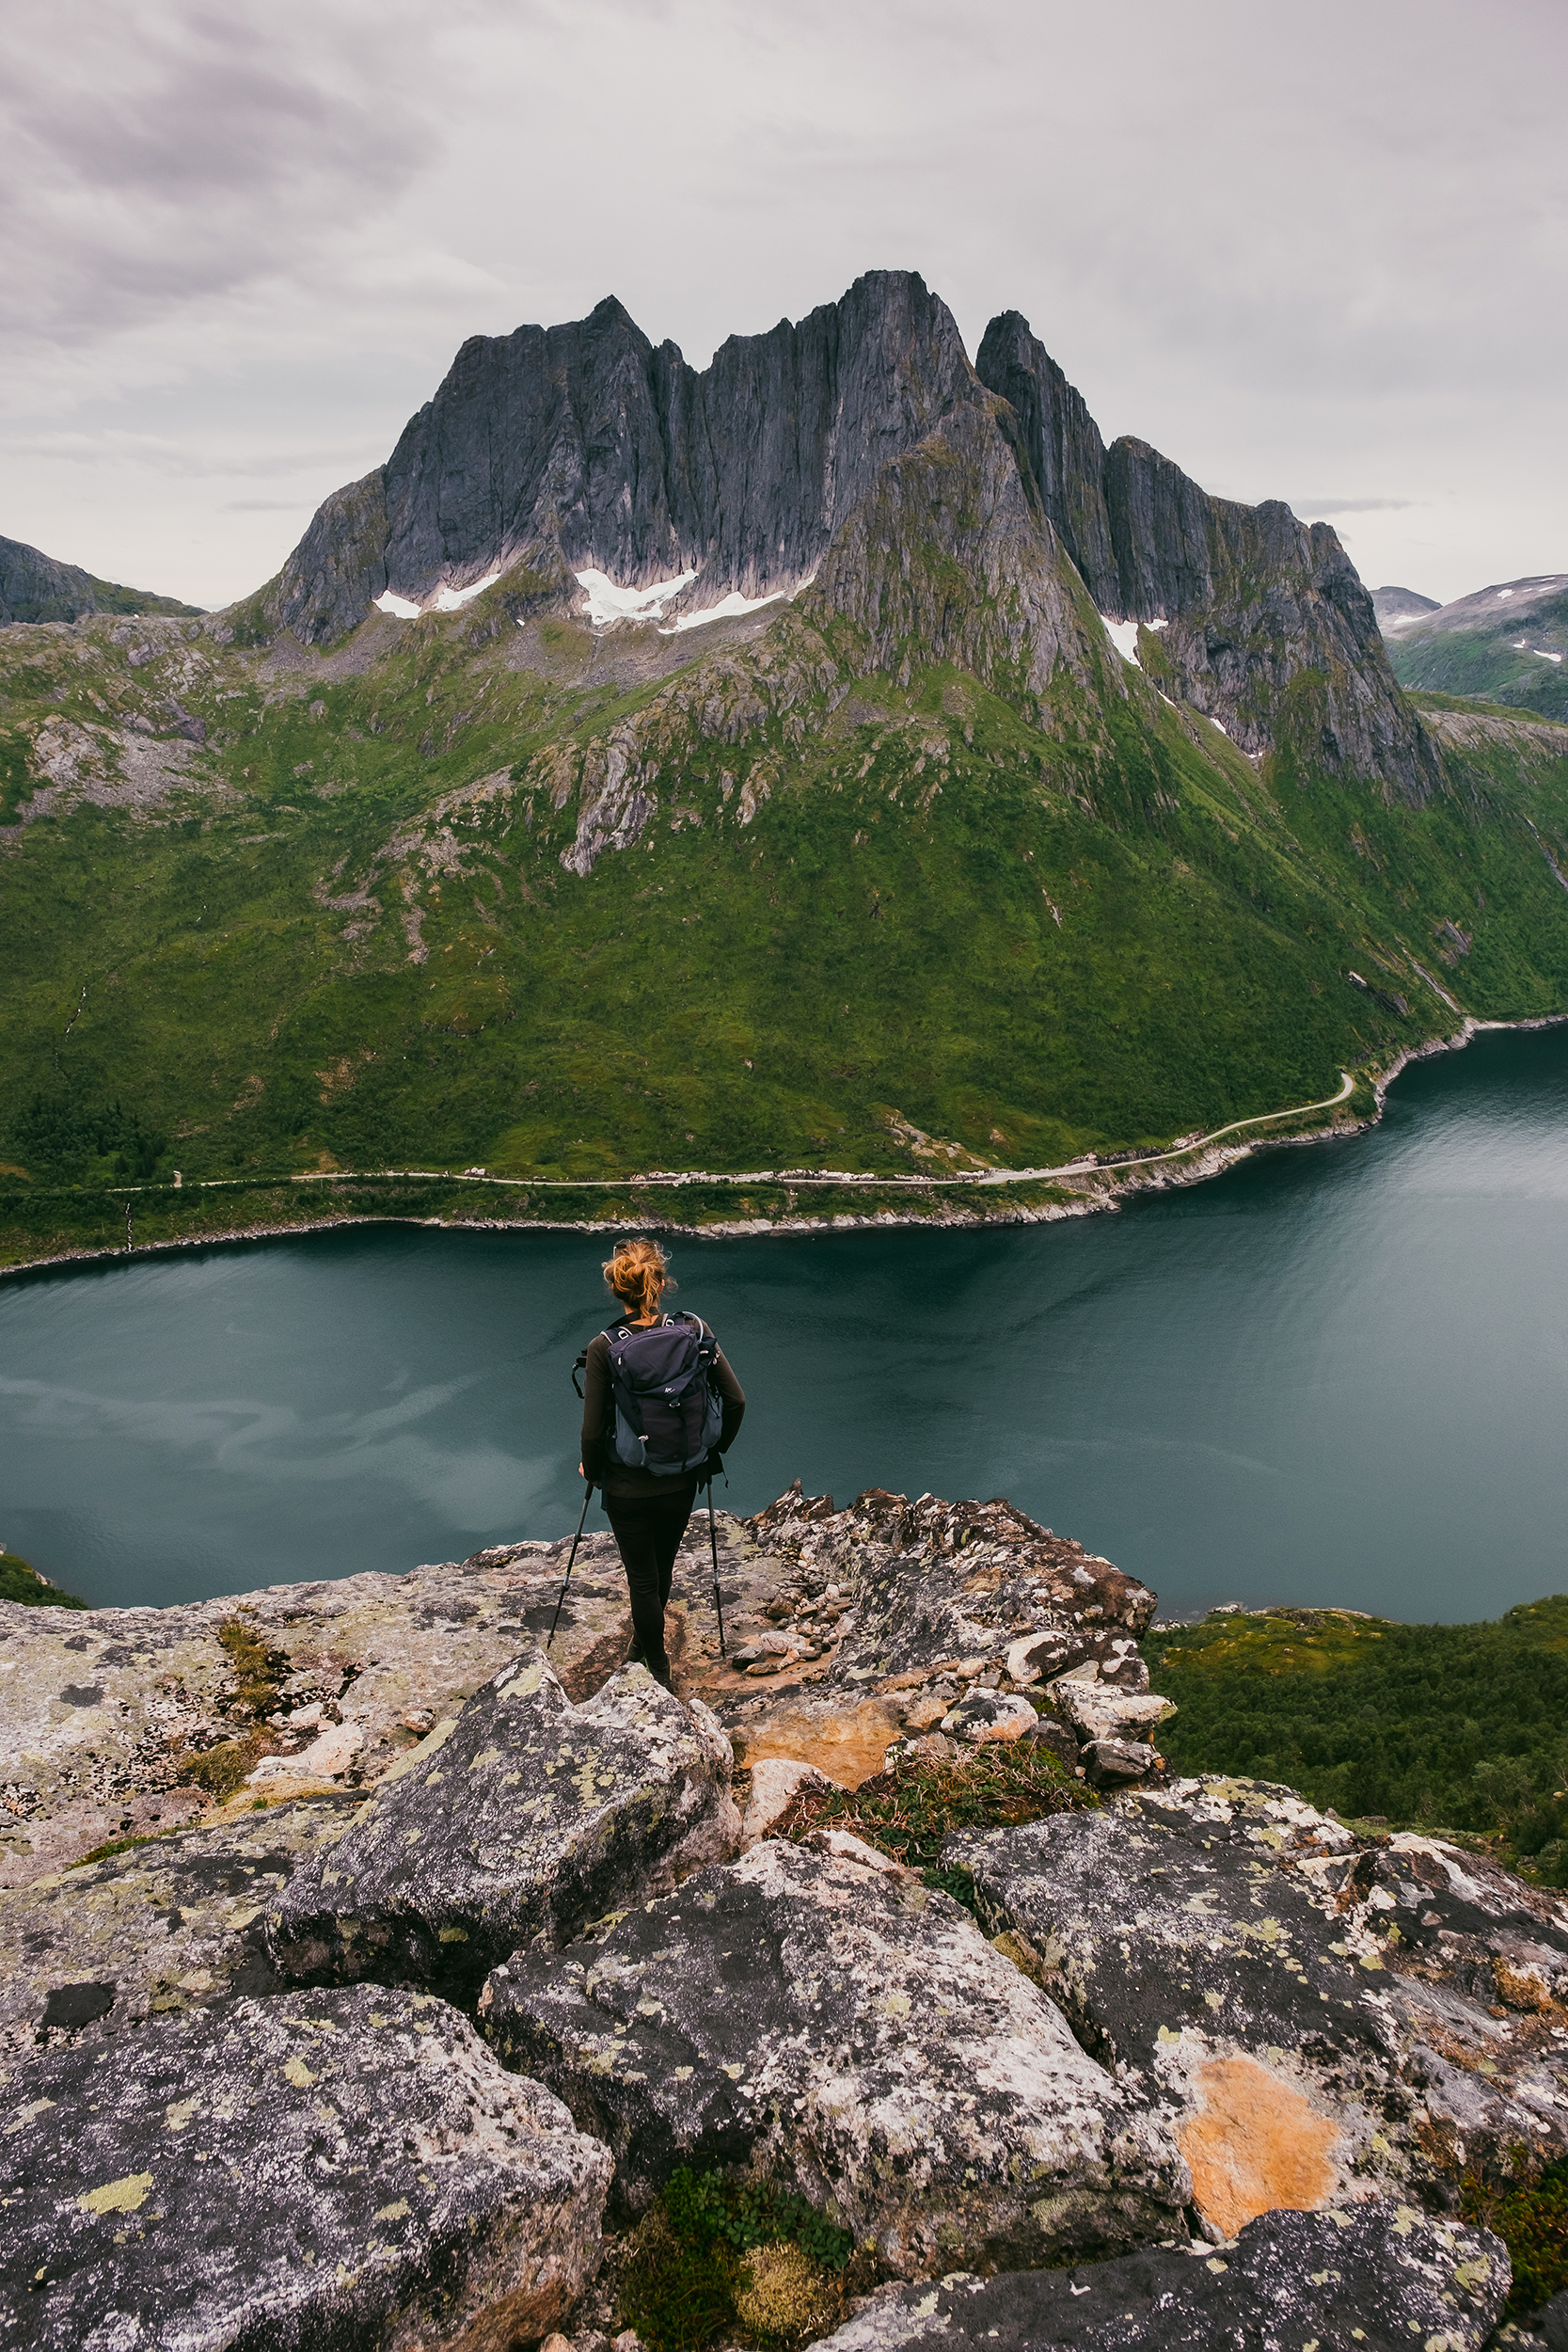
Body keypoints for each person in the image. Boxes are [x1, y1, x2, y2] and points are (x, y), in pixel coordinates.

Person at [578, 1237, 745, 1689]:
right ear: (660, 1283)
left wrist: (591, 1471)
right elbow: (736, 1401)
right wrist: (712, 1452)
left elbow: (593, 1432)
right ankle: (642, 1646)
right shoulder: (693, 1330)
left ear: (618, 1289)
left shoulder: (603, 1347)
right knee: (661, 1570)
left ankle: (657, 1667)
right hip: (683, 1477)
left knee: (642, 1581)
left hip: (629, 1487)